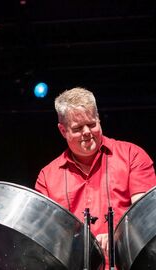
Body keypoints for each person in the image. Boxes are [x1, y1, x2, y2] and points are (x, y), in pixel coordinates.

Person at [35, 87, 156, 268]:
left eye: (92, 124)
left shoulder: (132, 155)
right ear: (62, 130)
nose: (87, 132)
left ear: (99, 118)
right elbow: (45, 237)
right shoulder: (47, 176)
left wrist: (118, 236)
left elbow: (146, 217)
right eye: (77, 128)